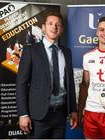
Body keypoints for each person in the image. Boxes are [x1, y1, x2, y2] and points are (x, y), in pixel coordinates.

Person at [16, 11, 78, 139]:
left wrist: (73, 110)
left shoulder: (66, 52)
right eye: (50, 23)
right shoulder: (31, 50)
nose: (54, 27)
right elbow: (21, 84)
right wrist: (23, 114)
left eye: (58, 25)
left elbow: (70, 83)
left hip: (60, 114)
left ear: (61, 29)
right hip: (38, 116)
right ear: (43, 27)